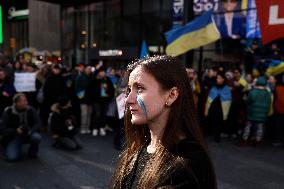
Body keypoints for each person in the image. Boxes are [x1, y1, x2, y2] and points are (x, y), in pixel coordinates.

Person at [111, 56, 217, 189]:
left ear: (172, 95)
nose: (128, 100)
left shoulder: (188, 164)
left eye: (139, 89)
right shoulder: (141, 146)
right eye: (129, 90)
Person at [0, 93, 41, 161]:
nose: (26, 102)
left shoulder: (31, 109)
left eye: (26, 100)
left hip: (29, 133)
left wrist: (31, 130)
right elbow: (2, 129)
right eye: (24, 101)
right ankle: (11, 148)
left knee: (37, 137)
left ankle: (32, 152)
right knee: (12, 158)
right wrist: (15, 130)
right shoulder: (8, 111)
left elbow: (38, 123)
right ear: (17, 103)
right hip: (14, 136)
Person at [239, 77, 271, 146]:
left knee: (248, 126)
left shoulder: (252, 92)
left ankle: (244, 140)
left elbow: (248, 102)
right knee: (260, 127)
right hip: (262, 114)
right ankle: (257, 141)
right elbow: (269, 104)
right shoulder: (268, 94)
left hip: (252, 113)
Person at [205, 72, 232, 142]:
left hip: (221, 108)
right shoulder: (214, 87)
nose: (218, 79)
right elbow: (210, 97)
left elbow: (228, 99)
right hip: (213, 107)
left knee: (219, 122)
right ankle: (211, 133)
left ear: (223, 79)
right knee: (212, 120)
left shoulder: (226, 88)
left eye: (219, 78)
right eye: (217, 78)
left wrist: (220, 95)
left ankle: (217, 136)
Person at [90, 67, 114, 136]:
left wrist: (109, 97)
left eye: (104, 72)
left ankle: (101, 128)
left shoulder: (107, 79)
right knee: (97, 114)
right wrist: (92, 98)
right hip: (96, 100)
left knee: (103, 114)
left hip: (105, 100)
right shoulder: (94, 79)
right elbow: (90, 89)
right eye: (102, 72)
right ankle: (95, 128)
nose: (103, 73)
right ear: (99, 73)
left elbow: (111, 89)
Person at [75, 65, 93, 134]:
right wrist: (81, 97)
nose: (89, 70)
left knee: (89, 114)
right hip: (83, 99)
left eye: (90, 69)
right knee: (84, 114)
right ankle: (83, 128)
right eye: (88, 69)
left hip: (90, 99)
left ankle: (87, 128)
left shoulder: (91, 76)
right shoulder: (80, 77)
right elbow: (77, 88)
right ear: (85, 69)